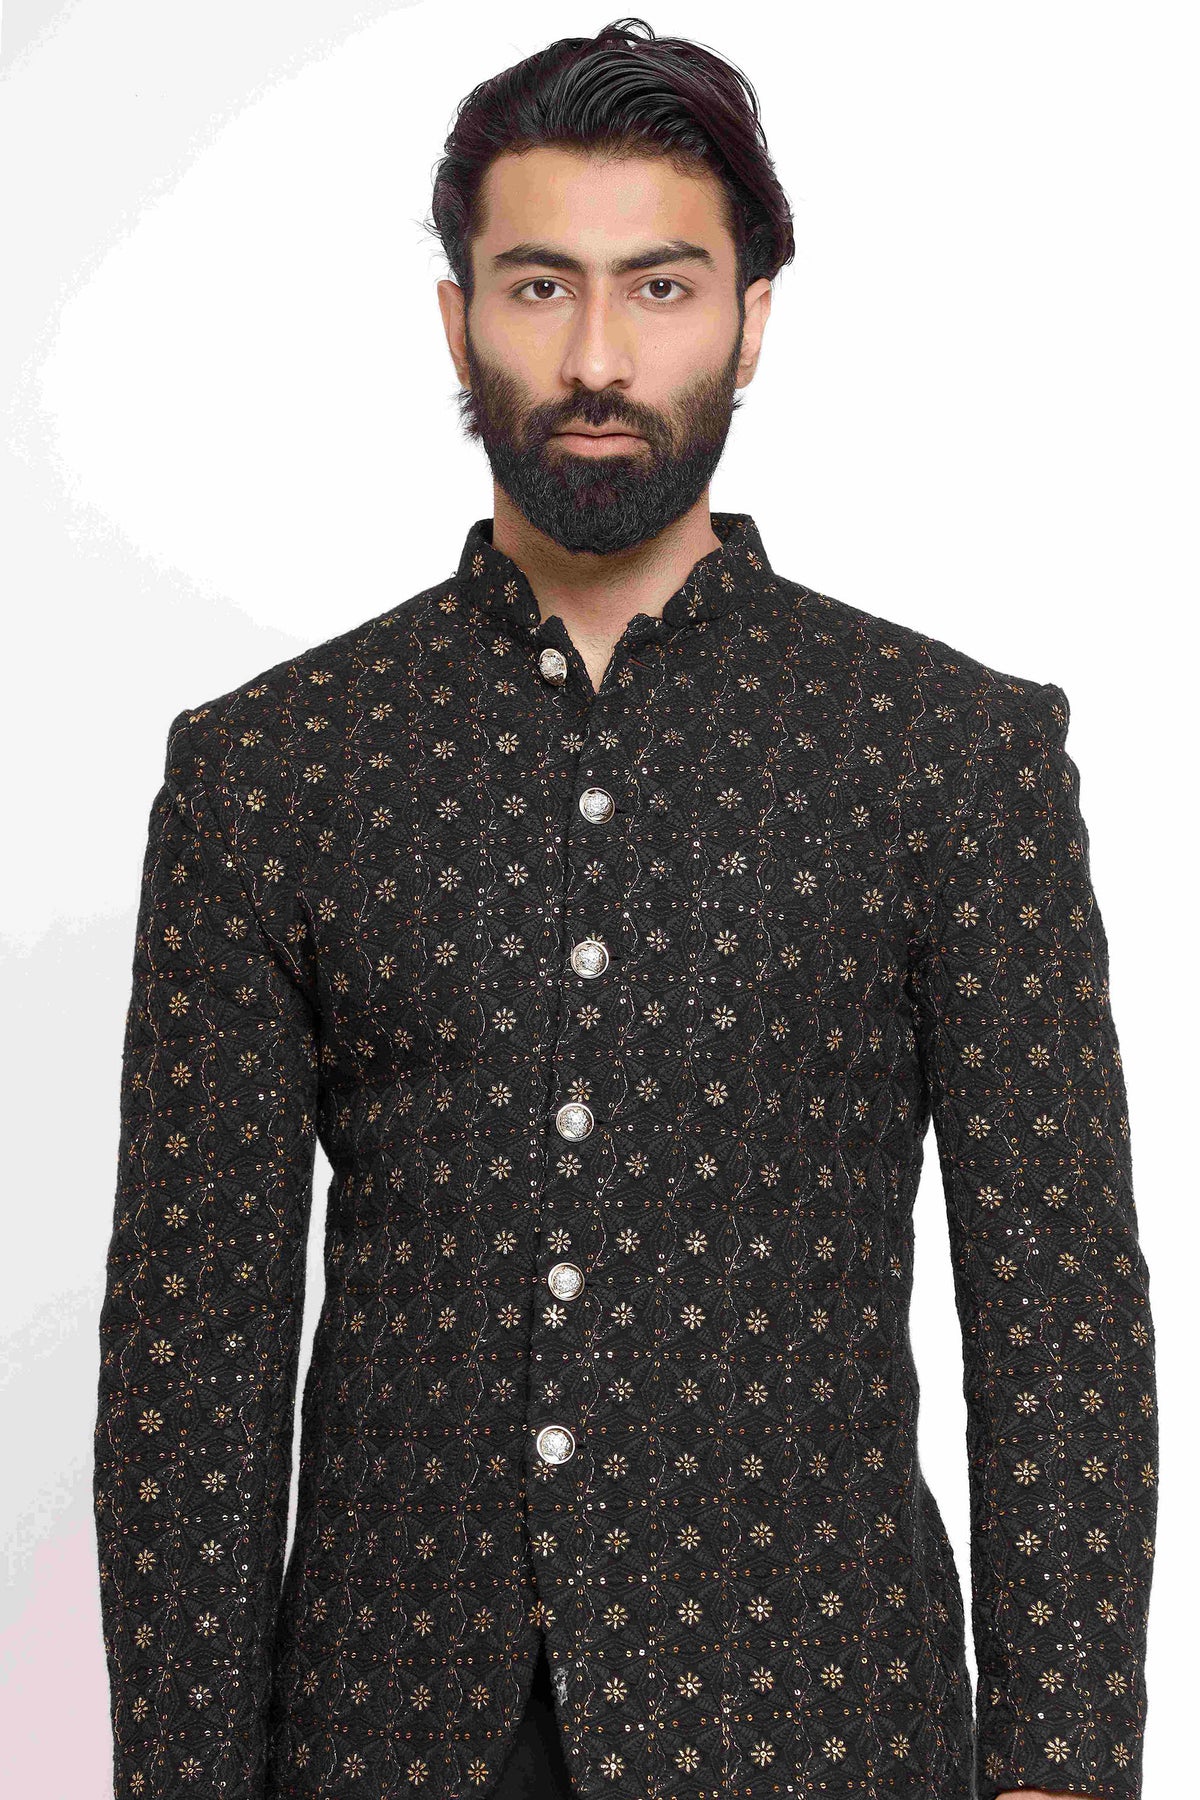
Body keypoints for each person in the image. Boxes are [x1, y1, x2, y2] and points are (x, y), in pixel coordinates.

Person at [91, 19, 1157, 1800]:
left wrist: (1061, 1763)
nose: (598, 357)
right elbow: (192, 1350)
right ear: (457, 322)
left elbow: (1056, 1305)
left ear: (752, 319)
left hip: (823, 1731)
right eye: (540, 287)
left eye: (661, 287)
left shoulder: (951, 755)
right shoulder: (271, 770)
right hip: (389, 1741)